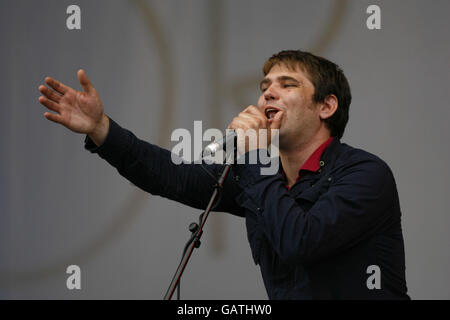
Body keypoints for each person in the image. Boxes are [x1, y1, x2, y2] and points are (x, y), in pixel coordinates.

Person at [38, 50, 409, 299]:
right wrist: (101, 128)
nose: (267, 95)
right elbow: (170, 175)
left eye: (287, 85)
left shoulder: (365, 175)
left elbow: (301, 242)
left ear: (327, 106)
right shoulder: (262, 170)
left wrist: (251, 156)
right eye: (264, 88)